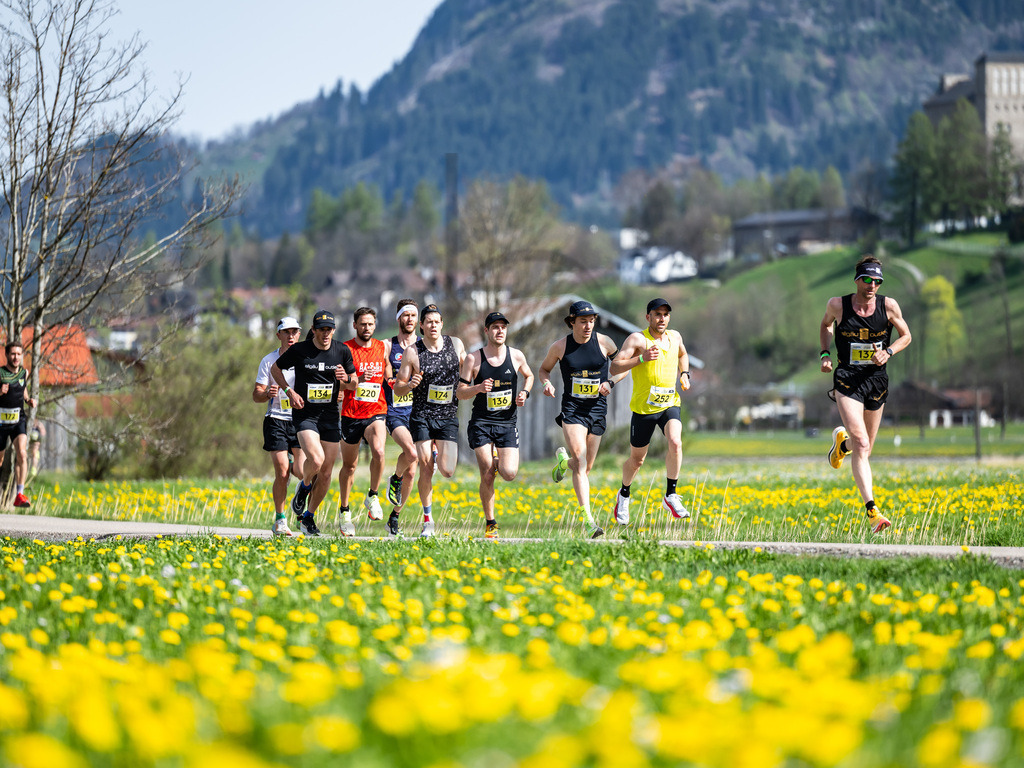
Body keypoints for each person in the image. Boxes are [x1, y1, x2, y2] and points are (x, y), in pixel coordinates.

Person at [819, 255, 912, 534]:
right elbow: (825, 326)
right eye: (868, 280)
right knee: (861, 442)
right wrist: (825, 354)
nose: (872, 286)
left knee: (865, 448)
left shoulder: (889, 306)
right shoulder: (838, 305)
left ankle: (840, 446)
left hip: (876, 380)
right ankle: (872, 511)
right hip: (847, 380)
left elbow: (906, 335)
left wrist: (889, 351)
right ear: (857, 279)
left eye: (877, 281)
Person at [538, 299, 621, 539]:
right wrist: (546, 383)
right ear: (572, 322)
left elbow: (622, 366)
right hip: (572, 410)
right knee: (581, 459)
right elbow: (544, 370)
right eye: (583, 321)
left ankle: (563, 464)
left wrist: (611, 382)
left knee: (585, 466)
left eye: (591, 321)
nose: (588, 326)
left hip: (597, 409)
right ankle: (589, 521)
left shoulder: (605, 343)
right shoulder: (560, 347)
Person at [271, 309, 356, 536]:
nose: (325, 334)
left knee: (327, 473)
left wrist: (345, 379)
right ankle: (305, 485)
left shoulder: (342, 351)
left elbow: (354, 382)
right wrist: (289, 391)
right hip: (305, 415)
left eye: (329, 330)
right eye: (321, 330)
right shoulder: (300, 350)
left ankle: (308, 517)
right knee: (316, 461)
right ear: (314, 330)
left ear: (333, 330)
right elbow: (275, 369)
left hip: (329, 416)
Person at [609, 298, 692, 526]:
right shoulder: (638, 339)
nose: (662, 318)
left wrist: (684, 374)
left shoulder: (675, 337)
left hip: (668, 404)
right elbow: (615, 366)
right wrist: (641, 359)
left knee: (675, 442)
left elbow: (683, 355)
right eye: (657, 314)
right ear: (648, 317)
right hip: (644, 410)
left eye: (665, 314)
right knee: (637, 460)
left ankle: (671, 495)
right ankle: (624, 495)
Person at [456, 311, 534, 538]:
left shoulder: (516, 356)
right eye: (495, 327)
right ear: (486, 331)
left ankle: (498, 460)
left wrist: (525, 393)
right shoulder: (474, 359)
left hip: (507, 424)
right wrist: (477, 388)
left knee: (509, 473)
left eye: (503, 327)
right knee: (488, 473)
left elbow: (529, 376)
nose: (500, 331)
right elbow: (460, 393)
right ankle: (491, 523)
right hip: (481, 423)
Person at [393, 303, 466, 538]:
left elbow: (470, 368)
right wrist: (409, 385)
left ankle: (435, 455)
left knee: (446, 470)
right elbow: (398, 389)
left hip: (447, 416)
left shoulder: (455, 345)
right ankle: (428, 520)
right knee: (425, 466)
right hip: (422, 415)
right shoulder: (413, 352)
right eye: (429, 322)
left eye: (437, 321)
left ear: (442, 324)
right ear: (422, 326)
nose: (433, 325)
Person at [337, 307, 391, 536]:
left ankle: (372, 495)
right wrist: (357, 380)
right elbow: (337, 384)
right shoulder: (345, 349)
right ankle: (345, 511)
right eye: (362, 324)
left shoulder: (381, 347)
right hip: (351, 414)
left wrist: (390, 376)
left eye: (370, 324)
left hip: (376, 411)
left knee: (379, 451)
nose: (366, 328)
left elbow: (386, 365)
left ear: (374, 325)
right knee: (349, 466)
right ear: (355, 325)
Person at [253, 316, 306, 536]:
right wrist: (266, 394)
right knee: (282, 472)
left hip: (300, 421)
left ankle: (299, 496)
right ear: (279, 335)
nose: (291, 336)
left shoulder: (305, 359)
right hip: (275, 419)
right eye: (287, 332)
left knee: (302, 472)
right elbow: (256, 395)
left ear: (299, 334)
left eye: (295, 332)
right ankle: (280, 519)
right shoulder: (268, 361)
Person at [382, 300, 420, 537]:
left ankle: (395, 516)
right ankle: (394, 478)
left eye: (413, 315)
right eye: (405, 315)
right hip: (395, 411)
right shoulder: (388, 345)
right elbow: (386, 373)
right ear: (399, 319)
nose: (409, 319)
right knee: (412, 453)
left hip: (420, 413)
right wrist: (395, 381)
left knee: (413, 471)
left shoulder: (425, 347)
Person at [0, 342, 37, 508]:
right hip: (1, 422)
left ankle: (19, 495)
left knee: (22, 454)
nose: (16, 357)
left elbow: (23, 390)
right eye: (13, 354)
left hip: (17, 420)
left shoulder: (24, 373)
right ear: (7, 355)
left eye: (18, 354)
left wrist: (28, 400)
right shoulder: (0, 373)